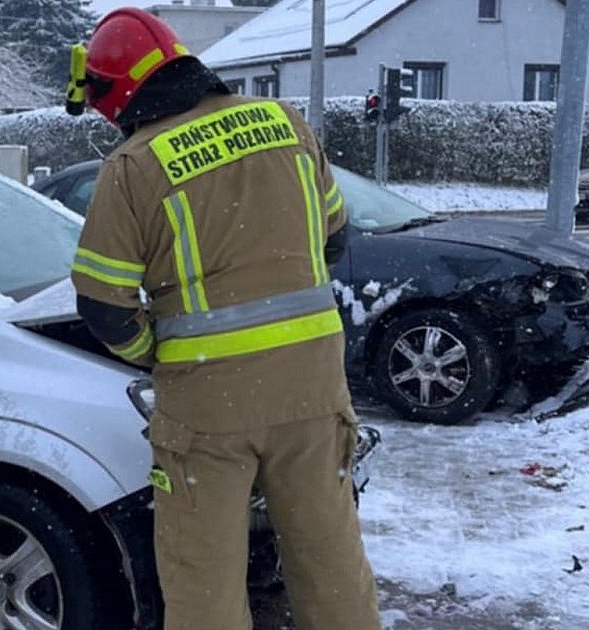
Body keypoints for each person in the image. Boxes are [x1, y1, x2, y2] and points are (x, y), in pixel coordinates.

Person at [67, 8, 380, 630]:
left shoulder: (134, 164)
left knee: (203, 576)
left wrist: (154, 350)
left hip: (206, 408)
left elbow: (103, 303)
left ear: (118, 90)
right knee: (329, 555)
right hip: (312, 389)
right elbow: (335, 237)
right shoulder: (285, 123)